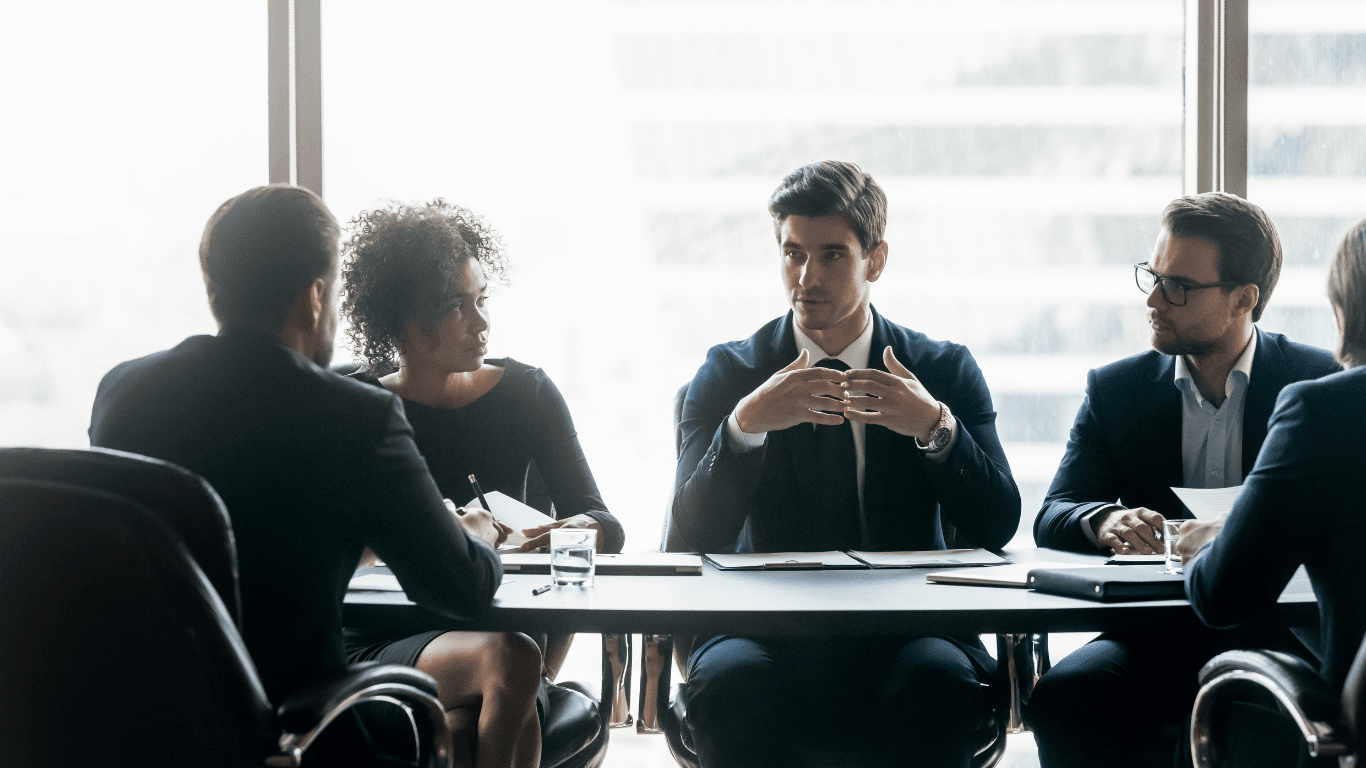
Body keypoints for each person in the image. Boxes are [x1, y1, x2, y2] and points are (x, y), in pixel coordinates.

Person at [88, 184, 539, 768]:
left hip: (146, 726)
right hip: (299, 730)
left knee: (453, 723)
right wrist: (476, 535)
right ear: (315, 297)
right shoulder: (355, 417)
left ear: (215, 288)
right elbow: (457, 588)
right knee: (449, 725)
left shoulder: (124, 392)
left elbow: (209, 540)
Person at [672, 161, 1021, 768]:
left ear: (876, 260)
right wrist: (743, 429)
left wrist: (935, 430)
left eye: (832, 255)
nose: (806, 277)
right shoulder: (729, 373)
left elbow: (998, 524)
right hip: (762, 629)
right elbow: (689, 537)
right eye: (792, 254)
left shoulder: (943, 370)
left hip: (914, 629)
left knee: (936, 685)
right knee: (731, 686)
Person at [1026, 192, 1339, 768]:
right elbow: (1054, 511)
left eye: (1178, 286)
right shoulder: (1115, 390)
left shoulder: (1316, 384)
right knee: (1065, 698)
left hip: (1281, 630)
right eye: (1152, 275)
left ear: (1244, 298)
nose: (1153, 299)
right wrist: (1105, 520)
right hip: (1151, 634)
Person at [338, 199, 624, 685]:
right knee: (482, 702)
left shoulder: (527, 393)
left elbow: (607, 526)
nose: (482, 322)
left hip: (502, 625)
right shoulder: (357, 406)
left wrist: (573, 530)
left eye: (482, 298)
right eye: (457, 306)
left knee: (467, 718)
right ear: (407, 322)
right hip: (387, 633)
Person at [1179, 217, 1366, 768]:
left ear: (1345, 307)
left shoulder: (1323, 410)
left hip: (1349, 727)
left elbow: (1222, 596)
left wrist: (1211, 541)